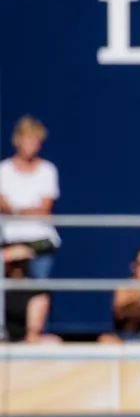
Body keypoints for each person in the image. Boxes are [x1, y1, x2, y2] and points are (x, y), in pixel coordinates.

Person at [0, 116, 61, 338]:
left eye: (37, 141)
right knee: (6, 288)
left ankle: (35, 338)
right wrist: (28, 210)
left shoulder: (47, 170)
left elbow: (44, 209)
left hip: (40, 240)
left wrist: (15, 210)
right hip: (9, 239)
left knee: (39, 289)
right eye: (29, 140)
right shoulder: (3, 170)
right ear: (17, 140)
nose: (32, 146)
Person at [3, 245, 61, 344]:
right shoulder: (2, 287)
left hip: (22, 343)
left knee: (53, 342)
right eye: (14, 263)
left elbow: (32, 335)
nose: (18, 267)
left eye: (21, 262)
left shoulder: (36, 292)